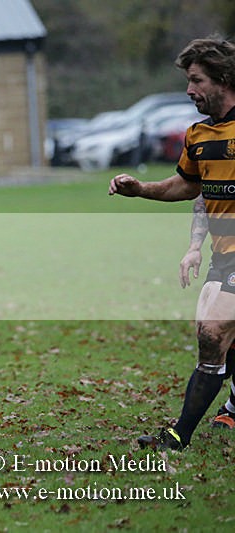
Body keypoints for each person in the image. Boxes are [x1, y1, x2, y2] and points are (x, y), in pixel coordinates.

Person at [109, 35, 235, 450]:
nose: (189, 90)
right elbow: (189, 187)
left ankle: (179, 435)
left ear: (223, 78)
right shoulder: (198, 135)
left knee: (213, 333)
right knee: (217, 336)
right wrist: (140, 189)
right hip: (223, 255)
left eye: (197, 80)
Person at [179, 195, 235, 430]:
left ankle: (181, 434)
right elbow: (203, 196)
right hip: (223, 258)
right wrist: (194, 247)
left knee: (218, 334)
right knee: (213, 339)